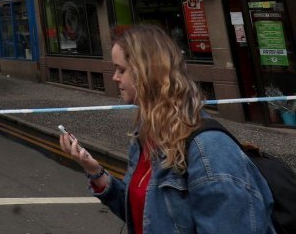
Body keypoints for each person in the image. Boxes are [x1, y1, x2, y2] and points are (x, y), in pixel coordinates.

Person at [59, 24, 274, 234]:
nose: (115, 77)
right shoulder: (146, 134)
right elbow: (148, 213)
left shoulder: (210, 149)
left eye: (121, 69)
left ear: (147, 72)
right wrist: (95, 172)